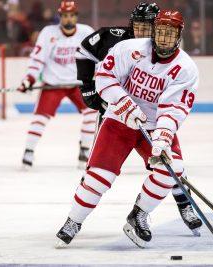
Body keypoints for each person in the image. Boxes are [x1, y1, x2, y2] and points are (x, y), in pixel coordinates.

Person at [56, 9, 200, 248]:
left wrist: (162, 140)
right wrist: (126, 105)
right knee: (99, 178)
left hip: (154, 126)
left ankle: (139, 214)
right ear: (154, 31)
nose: (164, 38)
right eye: (161, 32)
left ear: (179, 35)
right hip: (118, 121)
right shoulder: (129, 49)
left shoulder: (186, 68)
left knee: (172, 169)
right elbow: (104, 77)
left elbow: (173, 109)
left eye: (170, 34)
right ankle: (74, 221)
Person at [18, 1, 96, 169]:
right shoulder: (48, 33)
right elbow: (37, 58)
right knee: (40, 117)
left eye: (72, 15)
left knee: (92, 112)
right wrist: (29, 78)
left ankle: (84, 150)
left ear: (76, 16)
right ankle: (29, 151)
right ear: (60, 17)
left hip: (78, 83)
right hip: (53, 83)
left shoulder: (86, 32)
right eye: (65, 16)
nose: (68, 19)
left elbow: (97, 57)